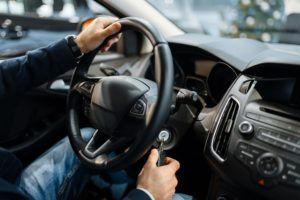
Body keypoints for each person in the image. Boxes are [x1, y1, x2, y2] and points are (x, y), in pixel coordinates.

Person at [0, 16, 181, 200]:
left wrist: (77, 45)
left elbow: (4, 77)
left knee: (87, 140)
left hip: (9, 182)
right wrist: (146, 194)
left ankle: (118, 190)